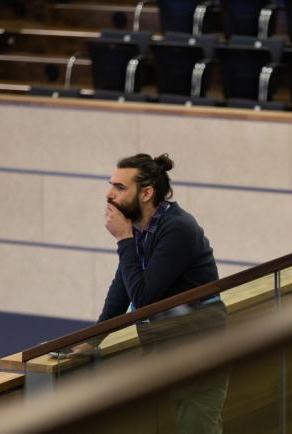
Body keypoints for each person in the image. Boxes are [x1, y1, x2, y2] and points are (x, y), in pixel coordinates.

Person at [98, 153, 230, 434]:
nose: (109, 194)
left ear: (146, 193)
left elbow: (145, 298)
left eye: (120, 188)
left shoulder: (177, 228)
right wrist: (92, 340)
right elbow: (123, 287)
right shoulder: (141, 230)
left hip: (199, 356)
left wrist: (123, 239)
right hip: (166, 352)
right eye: (111, 185)